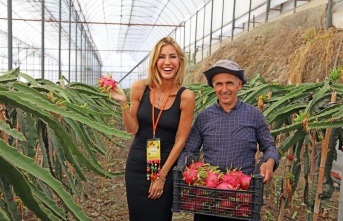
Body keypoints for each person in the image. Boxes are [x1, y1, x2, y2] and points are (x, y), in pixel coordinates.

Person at [177, 59, 279, 221]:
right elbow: (190, 150)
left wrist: (269, 162)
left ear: (239, 85)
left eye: (229, 83)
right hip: (209, 197)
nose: (224, 89)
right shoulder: (204, 117)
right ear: (213, 87)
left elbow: (269, 146)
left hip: (243, 196)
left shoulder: (254, 115)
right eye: (219, 84)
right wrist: (183, 169)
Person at [110, 36, 195, 221]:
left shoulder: (186, 96)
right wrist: (123, 104)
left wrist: (162, 176)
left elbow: (181, 140)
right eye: (161, 57)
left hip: (165, 166)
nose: (167, 62)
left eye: (172, 57)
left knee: (160, 216)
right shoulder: (140, 87)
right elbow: (132, 129)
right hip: (137, 165)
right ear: (155, 62)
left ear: (179, 62)